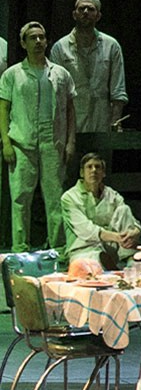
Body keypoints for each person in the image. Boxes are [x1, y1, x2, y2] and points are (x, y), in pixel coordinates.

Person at [0, 21, 76, 249]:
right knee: (20, 199)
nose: (38, 42)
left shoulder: (60, 74)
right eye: (32, 38)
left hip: (53, 143)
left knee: (55, 198)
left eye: (41, 37)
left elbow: (71, 109)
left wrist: (71, 141)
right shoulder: (13, 74)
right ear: (23, 43)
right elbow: (3, 108)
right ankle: (20, 249)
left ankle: (57, 248)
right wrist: (5, 141)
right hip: (22, 142)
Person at [49, 0, 126, 134]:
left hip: (101, 121)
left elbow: (118, 90)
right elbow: (55, 92)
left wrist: (115, 122)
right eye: (81, 9)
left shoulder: (111, 46)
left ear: (98, 16)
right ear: (74, 14)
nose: (85, 12)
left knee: (100, 157)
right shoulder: (60, 48)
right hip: (71, 122)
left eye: (90, 9)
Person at [61, 151, 140, 270]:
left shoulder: (112, 194)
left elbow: (131, 221)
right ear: (82, 173)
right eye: (89, 167)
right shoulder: (69, 197)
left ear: (103, 173)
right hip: (83, 249)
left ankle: (129, 260)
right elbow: (87, 230)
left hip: (109, 247)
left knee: (124, 209)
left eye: (97, 167)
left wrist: (135, 232)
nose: (94, 170)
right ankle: (106, 265)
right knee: (92, 264)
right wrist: (117, 237)